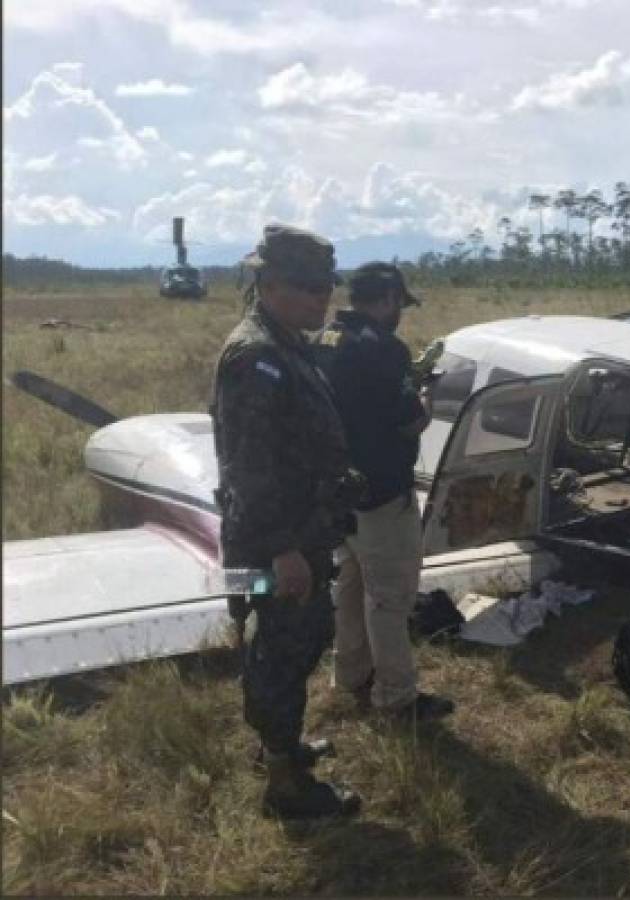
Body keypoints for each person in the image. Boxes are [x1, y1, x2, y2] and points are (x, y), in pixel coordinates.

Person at [210, 224, 363, 820]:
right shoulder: (257, 357)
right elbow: (249, 466)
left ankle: (281, 747)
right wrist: (282, 550)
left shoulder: (284, 342)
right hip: (274, 544)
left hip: (296, 533)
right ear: (269, 285)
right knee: (282, 650)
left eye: (326, 286)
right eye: (308, 287)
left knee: (295, 643)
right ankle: (286, 787)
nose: (322, 297)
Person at [315, 262, 455, 721]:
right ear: (389, 298)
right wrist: (427, 397)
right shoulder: (385, 350)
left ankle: (351, 674)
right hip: (382, 493)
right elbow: (411, 422)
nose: (400, 314)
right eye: (399, 304)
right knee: (391, 597)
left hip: (341, 492)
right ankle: (396, 696)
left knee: (351, 585)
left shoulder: (327, 339)